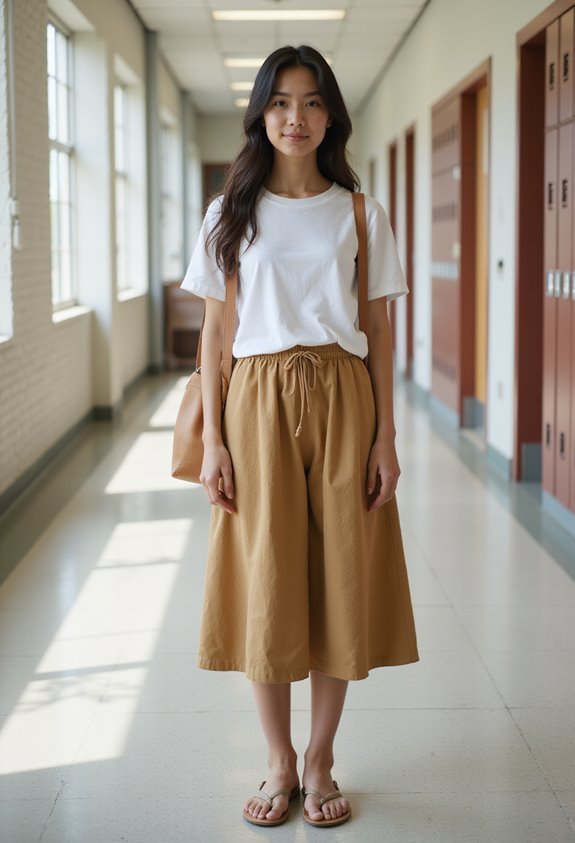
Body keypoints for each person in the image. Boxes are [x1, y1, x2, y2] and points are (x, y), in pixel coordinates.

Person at [180, 44, 419, 829]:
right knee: (268, 575)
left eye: (312, 102)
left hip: (344, 394)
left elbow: (378, 329)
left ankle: (319, 759)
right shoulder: (229, 212)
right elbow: (215, 337)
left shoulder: (360, 210)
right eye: (281, 102)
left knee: (340, 573)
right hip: (254, 399)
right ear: (260, 112)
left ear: (331, 116)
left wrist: (385, 436)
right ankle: (278, 758)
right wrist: (214, 441)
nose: (295, 117)